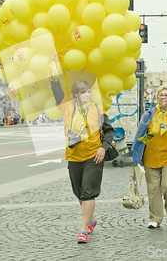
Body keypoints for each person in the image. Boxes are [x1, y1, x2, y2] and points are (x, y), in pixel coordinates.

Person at [51, 78, 114, 244]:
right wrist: (53, 72)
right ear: (75, 94)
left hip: (94, 156)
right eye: (83, 92)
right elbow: (56, 90)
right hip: (74, 156)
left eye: (88, 91)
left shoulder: (97, 109)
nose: (87, 94)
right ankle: (91, 218)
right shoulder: (67, 107)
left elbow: (109, 132)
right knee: (79, 193)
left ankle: (84, 229)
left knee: (88, 192)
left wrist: (103, 148)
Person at [132, 84, 167, 229]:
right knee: (153, 190)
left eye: (166, 95)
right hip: (150, 157)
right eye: (160, 95)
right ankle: (155, 218)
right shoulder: (149, 114)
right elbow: (139, 135)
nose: (163, 98)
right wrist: (136, 156)